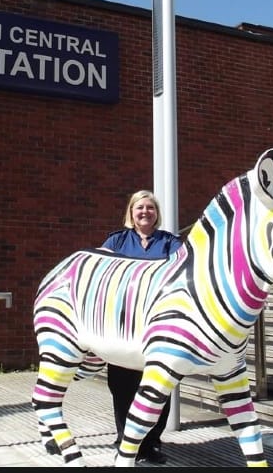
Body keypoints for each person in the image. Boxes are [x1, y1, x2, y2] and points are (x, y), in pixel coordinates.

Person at [100, 189, 183, 464]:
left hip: (160, 327)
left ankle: (151, 444)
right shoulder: (116, 241)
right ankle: (125, 441)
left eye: (150, 207)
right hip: (123, 326)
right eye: (140, 207)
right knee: (122, 386)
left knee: (160, 386)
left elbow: (183, 275)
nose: (145, 212)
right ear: (131, 212)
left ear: (157, 213)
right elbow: (99, 274)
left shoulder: (170, 242)